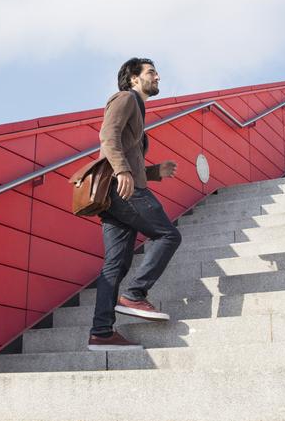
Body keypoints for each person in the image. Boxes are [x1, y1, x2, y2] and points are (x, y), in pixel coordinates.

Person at [88, 58, 181, 352]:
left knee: (115, 264)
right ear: (133, 79)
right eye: (151, 73)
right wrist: (123, 171)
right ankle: (134, 294)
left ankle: (101, 333)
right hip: (124, 189)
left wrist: (154, 172)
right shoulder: (125, 98)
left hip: (118, 193)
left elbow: (128, 152)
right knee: (168, 235)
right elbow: (108, 135)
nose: (157, 77)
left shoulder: (138, 110)